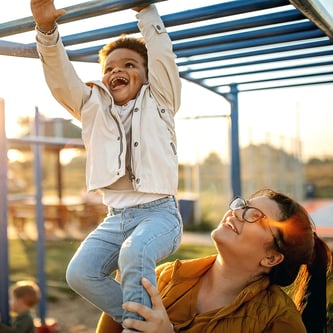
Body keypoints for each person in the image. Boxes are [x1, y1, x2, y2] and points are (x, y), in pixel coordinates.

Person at [30, 0, 183, 327]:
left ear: (147, 74)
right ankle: (145, 321)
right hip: (115, 217)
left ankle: (139, 328)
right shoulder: (91, 107)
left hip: (159, 214)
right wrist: (46, 31)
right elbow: (61, 78)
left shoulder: (160, 100)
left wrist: (145, 12)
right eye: (110, 68)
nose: (118, 72)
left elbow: (163, 57)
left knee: (135, 252)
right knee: (80, 274)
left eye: (129, 65)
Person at [96, 188, 332, 333]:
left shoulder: (278, 321)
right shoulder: (161, 277)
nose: (236, 213)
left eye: (256, 217)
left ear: (271, 258)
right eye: (244, 206)